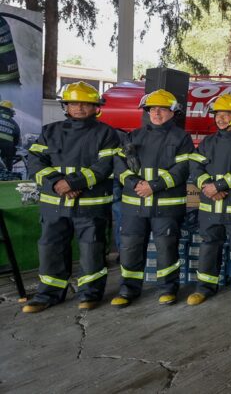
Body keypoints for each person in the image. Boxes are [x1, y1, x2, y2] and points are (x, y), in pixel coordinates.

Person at [23, 82, 119, 312]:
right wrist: (57, 182)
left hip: (91, 205)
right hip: (55, 205)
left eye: (86, 103)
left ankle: (90, 294)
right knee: (50, 249)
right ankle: (48, 294)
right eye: (74, 103)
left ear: (96, 107)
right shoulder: (50, 131)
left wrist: (73, 183)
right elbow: (35, 162)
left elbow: (105, 166)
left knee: (92, 250)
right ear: (65, 106)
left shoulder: (107, 133)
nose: (79, 107)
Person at [111, 89, 194, 308]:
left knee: (167, 248)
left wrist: (153, 186)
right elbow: (118, 165)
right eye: (152, 109)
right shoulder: (133, 136)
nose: (156, 113)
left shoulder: (181, 138)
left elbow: (183, 168)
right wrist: (134, 184)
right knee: (130, 248)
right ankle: (128, 290)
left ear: (172, 112)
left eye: (162, 109)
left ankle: (168, 289)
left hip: (165, 206)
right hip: (134, 205)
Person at [187, 94, 231, 307]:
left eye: (225, 114)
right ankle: (204, 288)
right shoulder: (207, 142)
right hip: (210, 205)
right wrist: (206, 186)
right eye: (217, 114)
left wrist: (219, 186)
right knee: (209, 245)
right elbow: (195, 166)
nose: (220, 118)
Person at [0, 100, 20, 171]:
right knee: (8, 162)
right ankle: (8, 175)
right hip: (8, 147)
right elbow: (16, 139)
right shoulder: (14, 123)